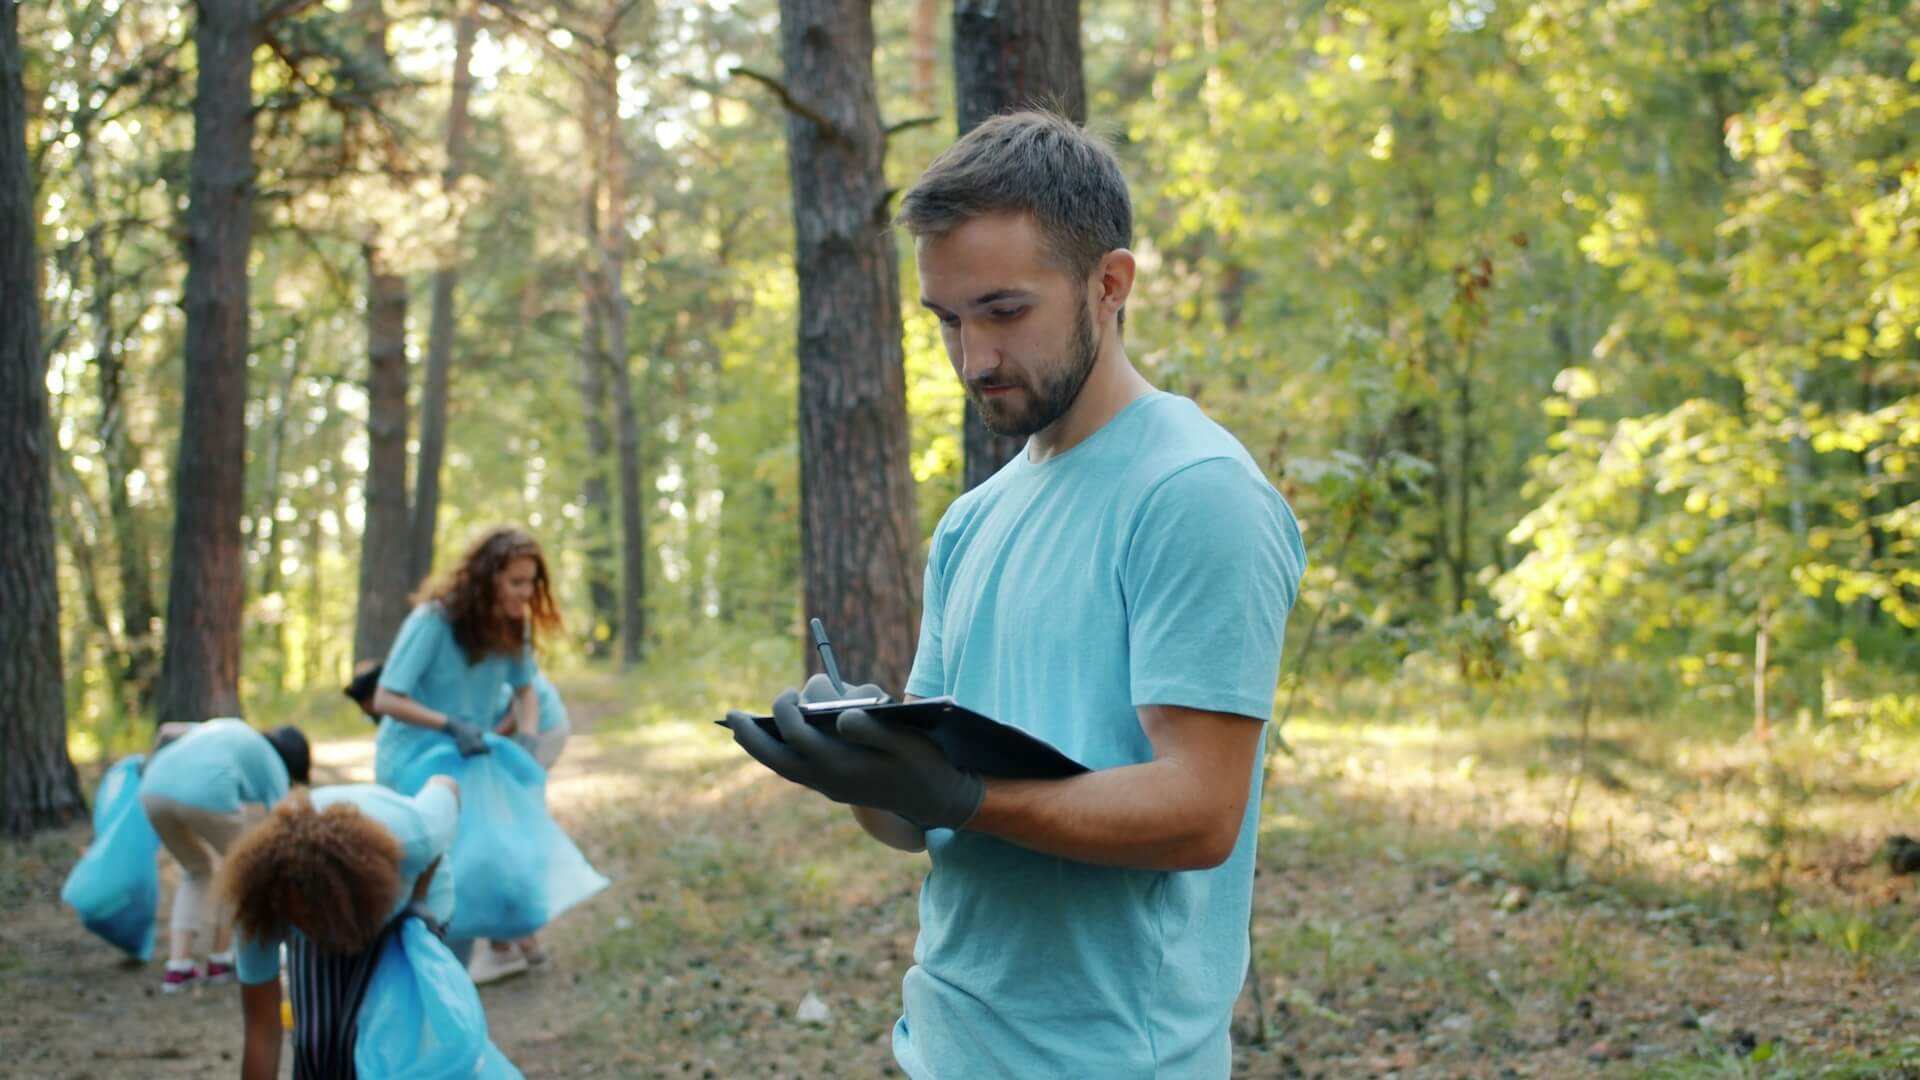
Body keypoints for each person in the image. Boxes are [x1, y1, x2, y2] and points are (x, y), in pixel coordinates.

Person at [723, 109, 1306, 1077]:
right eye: (948, 320)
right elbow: (918, 824)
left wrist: (967, 795)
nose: (974, 358)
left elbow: (1201, 811)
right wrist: (862, 767)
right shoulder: (973, 523)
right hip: (945, 1044)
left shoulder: (1194, 491)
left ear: (1110, 284)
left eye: (1003, 311)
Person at [370, 524, 564, 982]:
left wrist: (528, 740)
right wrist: (448, 724)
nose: (527, 593)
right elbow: (386, 698)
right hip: (413, 760)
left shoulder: (514, 626)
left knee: (466, 868)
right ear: (486, 578)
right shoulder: (433, 621)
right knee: (423, 868)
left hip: (466, 760)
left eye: (532, 582)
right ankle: (404, 971)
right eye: (516, 582)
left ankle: (454, 973)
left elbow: (526, 690)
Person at [219, 777, 461, 1080]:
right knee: (316, 1041)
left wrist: (419, 897)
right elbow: (262, 1031)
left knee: (386, 1034)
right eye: (298, 919)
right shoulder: (259, 905)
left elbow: (446, 784)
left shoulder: (415, 834)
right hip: (340, 899)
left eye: (314, 918)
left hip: (406, 898)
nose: (310, 929)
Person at [138, 717, 311, 993]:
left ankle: (178, 968)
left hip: (151, 789)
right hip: (206, 791)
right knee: (241, 871)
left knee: (196, 869)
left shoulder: (225, 729)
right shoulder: (273, 763)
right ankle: (220, 960)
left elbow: (167, 730)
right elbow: (287, 819)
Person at [494, 668, 569, 769]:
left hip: (544, 729)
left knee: (520, 774)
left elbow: (519, 707)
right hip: (509, 732)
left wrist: (487, 738)